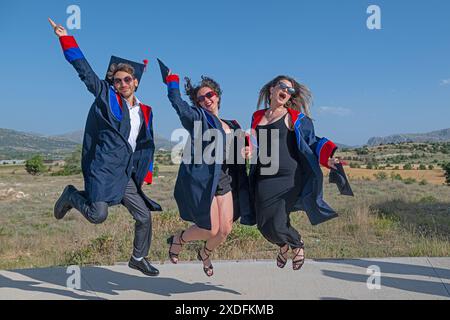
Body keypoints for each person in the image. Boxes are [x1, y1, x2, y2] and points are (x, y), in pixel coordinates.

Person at [49, 18, 162, 277]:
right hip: (102, 169)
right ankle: (70, 195)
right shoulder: (106, 96)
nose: (122, 84)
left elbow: (146, 143)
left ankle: (138, 257)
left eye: (127, 79)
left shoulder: (145, 111)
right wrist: (65, 38)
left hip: (124, 173)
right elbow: (85, 71)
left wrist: (145, 172)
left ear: (136, 82)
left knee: (144, 216)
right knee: (98, 215)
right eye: (118, 80)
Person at [161, 65, 253, 277]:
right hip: (206, 180)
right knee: (210, 229)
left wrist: (247, 150)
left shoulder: (232, 123)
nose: (206, 100)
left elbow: (240, 149)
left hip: (226, 179)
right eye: (200, 99)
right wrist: (172, 82)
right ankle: (179, 239)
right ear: (197, 104)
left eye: (209, 95)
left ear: (217, 96)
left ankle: (205, 253)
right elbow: (179, 105)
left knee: (225, 230)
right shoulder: (199, 119)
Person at [247, 75, 340, 271]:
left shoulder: (294, 118)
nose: (286, 92)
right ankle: (283, 247)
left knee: (279, 221)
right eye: (283, 87)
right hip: (264, 175)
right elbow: (255, 144)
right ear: (272, 89)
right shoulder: (257, 116)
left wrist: (326, 158)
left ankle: (296, 243)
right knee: (263, 224)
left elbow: (312, 142)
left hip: (288, 177)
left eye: (290, 91)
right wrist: (247, 149)